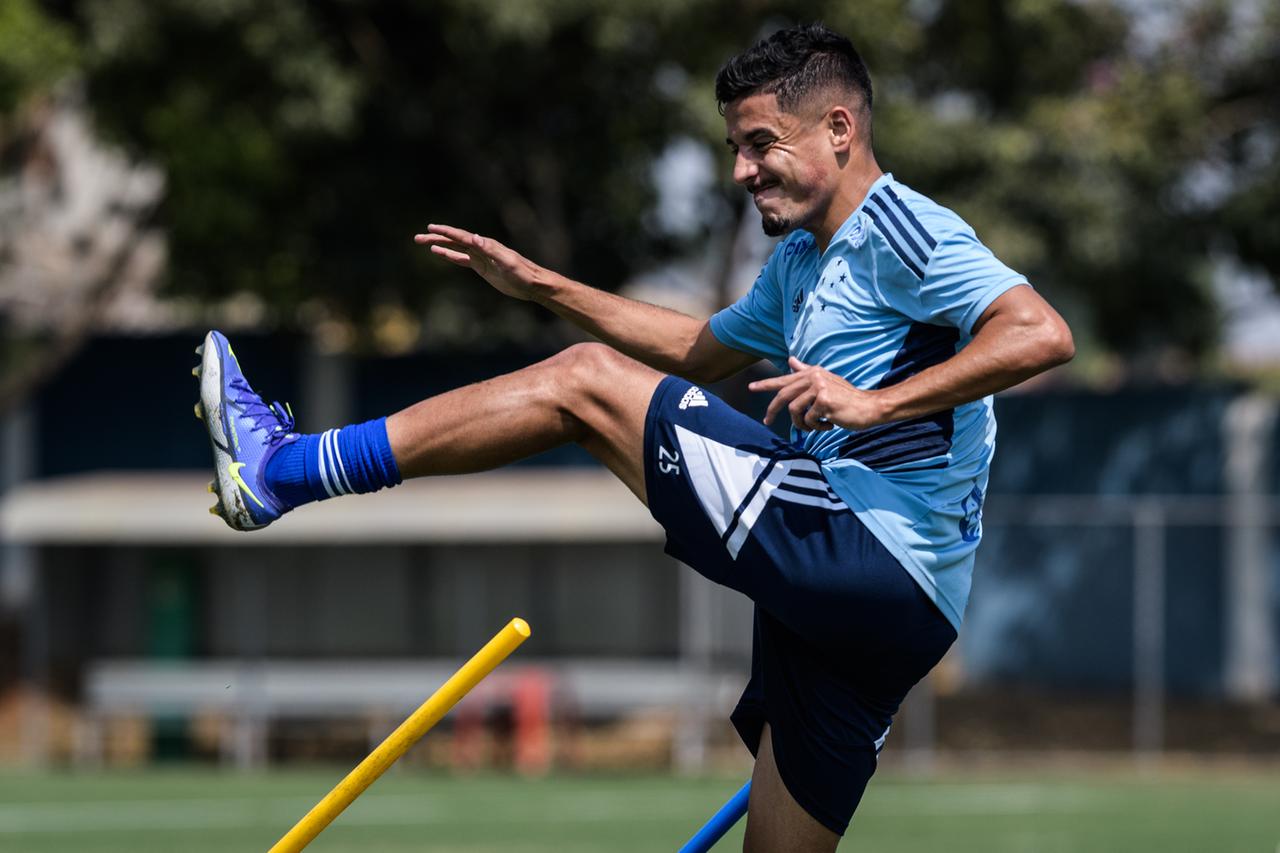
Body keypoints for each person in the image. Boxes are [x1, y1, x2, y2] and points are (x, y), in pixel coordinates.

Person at [195, 22, 1073, 852]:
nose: (741, 169)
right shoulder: (802, 261)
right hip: (885, 611)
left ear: (839, 128)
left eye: (761, 143)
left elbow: (1038, 332)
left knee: (581, 384)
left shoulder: (902, 228)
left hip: (867, 547)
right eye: (735, 146)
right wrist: (543, 285)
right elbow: (696, 349)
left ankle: (285, 470)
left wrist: (876, 405)